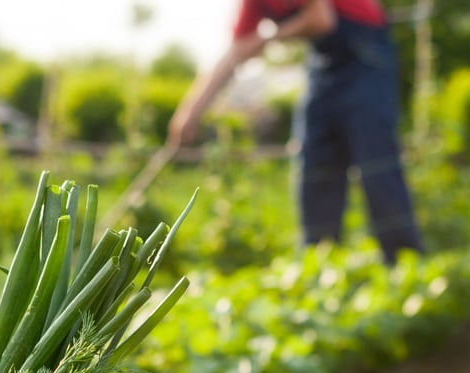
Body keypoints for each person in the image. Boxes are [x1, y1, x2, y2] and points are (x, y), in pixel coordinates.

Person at [166, 0, 423, 264]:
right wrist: (190, 112)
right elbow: (237, 50)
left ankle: (405, 266)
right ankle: (319, 270)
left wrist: (267, 37)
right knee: (314, 165)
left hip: (367, 56)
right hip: (324, 64)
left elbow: (321, 19)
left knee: (377, 167)